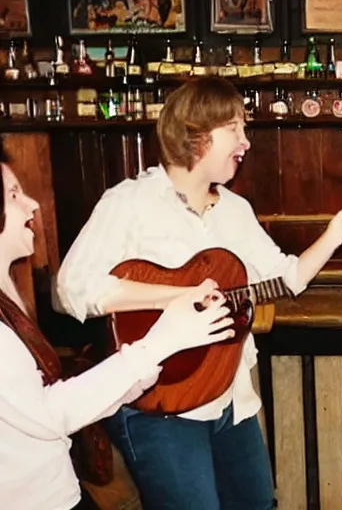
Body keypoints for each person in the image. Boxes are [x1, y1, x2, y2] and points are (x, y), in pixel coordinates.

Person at [56, 76, 342, 510]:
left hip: (232, 398)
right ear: (197, 132)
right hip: (160, 407)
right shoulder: (129, 202)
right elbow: (72, 288)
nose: (246, 141)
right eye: (235, 127)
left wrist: (336, 233)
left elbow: (285, 279)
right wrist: (174, 297)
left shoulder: (236, 210)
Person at [0, 140, 235, 510]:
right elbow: (50, 415)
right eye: (14, 194)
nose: (31, 204)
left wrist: (151, 357)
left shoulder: (8, 298)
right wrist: (160, 343)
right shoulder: (127, 200)